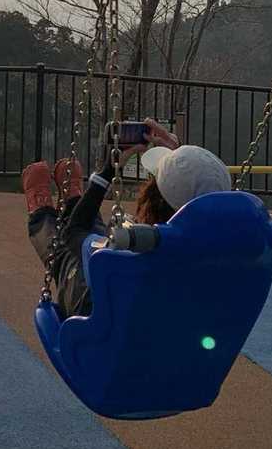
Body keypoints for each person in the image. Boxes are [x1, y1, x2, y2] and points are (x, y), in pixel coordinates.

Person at [24, 120, 230, 319]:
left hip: (94, 328)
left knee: (66, 254)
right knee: (101, 236)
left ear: (153, 200)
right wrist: (180, 159)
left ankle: (41, 213)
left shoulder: (124, 259)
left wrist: (107, 172)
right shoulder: (229, 259)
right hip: (176, 337)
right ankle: (74, 199)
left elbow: (74, 232)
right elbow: (196, 200)